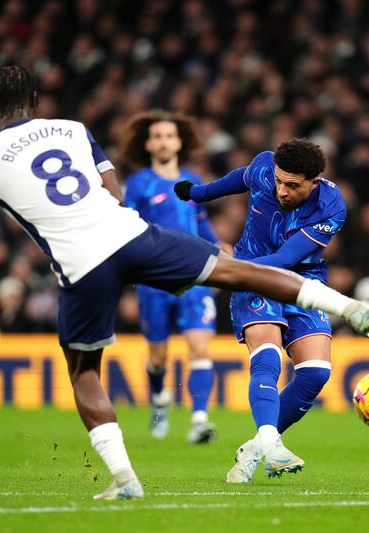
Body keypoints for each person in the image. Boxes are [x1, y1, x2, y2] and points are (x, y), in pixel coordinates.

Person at [0, 66, 369, 501]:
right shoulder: (72, 129)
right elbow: (112, 190)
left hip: (82, 265)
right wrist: (187, 201)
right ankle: (350, 311)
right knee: (236, 279)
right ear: (34, 99)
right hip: (134, 234)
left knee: (85, 373)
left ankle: (126, 478)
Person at [175, 139, 369, 483]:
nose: (282, 190)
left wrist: (225, 268)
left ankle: (256, 447)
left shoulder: (331, 206)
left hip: (301, 283)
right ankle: (272, 444)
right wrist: (199, 192)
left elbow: (284, 261)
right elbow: (243, 177)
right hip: (251, 279)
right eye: (279, 181)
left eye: (293, 185)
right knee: (268, 358)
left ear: (314, 182)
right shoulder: (265, 168)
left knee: (315, 374)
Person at [121, 110, 218, 443]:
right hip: (154, 281)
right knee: (158, 357)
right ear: (148, 144)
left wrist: (220, 249)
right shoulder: (138, 184)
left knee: (199, 347)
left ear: (180, 142)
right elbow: (128, 228)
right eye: (157, 136)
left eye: (169, 135)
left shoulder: (192, 182)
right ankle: (160, 402)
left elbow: (202, 222)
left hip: (194, 276)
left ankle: (200, 420)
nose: (164, 141)